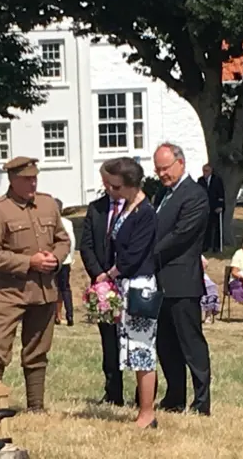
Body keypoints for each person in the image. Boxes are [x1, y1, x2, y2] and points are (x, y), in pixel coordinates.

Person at [0, 157, 70, 412]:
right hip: (10, 291)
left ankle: (36, 406)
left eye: (35, 178)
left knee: (38, 349)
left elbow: (63, 240)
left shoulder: (47, 203)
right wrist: (28, 261)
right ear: (12, 180)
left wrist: (57, 257)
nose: (32, 183)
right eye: (26, 179)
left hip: (44, 291)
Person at [153, 143, 211, 416]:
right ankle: (174, 397)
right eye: (158, 169)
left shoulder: (195, 195)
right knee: (165, 344)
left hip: (183, 282)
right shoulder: (161, 195)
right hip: (159, 282)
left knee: (191, 344)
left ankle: (201, 402)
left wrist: (146, 253)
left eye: (165, 168)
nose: (161, 173)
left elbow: (181, 234)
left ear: (181, 164)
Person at [100, 158, 158, 429]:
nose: (110, 189)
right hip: (126, 284)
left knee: (142, 350)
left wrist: (109, 274)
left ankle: (148, 412)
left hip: (140, 286)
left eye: (115, 185)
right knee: (131, 349)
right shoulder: (127, 207)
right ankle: (143, 411)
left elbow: (135, 254)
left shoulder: (145, 212)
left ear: (129, 183)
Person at [80, 164, 127, 406]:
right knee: (109, 342)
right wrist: (98, 274)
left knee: (133, 340)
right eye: (104, 182)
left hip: (130, 281)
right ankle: (113, 393)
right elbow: (86, 245)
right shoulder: (96, 209)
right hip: (103, 287)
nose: (108, 187)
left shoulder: (137, 207)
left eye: (112, 182)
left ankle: (143, 393)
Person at [54, 198, 75, 327]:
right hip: (66, 260)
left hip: (54, 259)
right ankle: (70, 314)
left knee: (53, 288)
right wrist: (71, 257)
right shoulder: (68, 223)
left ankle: (55, 315)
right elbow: (72, 242)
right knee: (65, 288)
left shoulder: (52, 223)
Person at [197, 163, 225, 253]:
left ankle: (216, 247)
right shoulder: (200, 180)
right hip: (205, 208)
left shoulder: (217, 180)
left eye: (207, 171)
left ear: (211, 171)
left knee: (217, 227)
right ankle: (205, 246)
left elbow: (221, 194)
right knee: (205, 227)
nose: (205, 173)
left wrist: (220, 206)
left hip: (215, 207)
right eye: (204, 171)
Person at [200, 256, 220, 324]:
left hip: (202, 277)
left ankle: (208, 316)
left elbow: (205, 263)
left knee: (212, 287)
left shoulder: (197, 253)